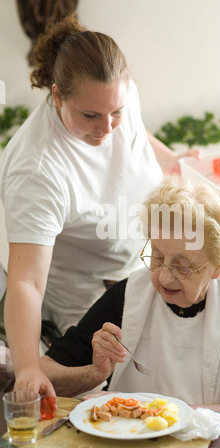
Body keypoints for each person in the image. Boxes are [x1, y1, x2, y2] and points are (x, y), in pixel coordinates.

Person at [0, 13, 200, 396]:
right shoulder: (38, 169)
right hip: (87, 308)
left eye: (117, 113)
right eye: (90, 115)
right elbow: (26, 280)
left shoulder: (116, 98)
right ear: (57, 95)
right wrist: (27, 368)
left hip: (147, 279)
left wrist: (174, 161)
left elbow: (137, 139)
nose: (107, 128)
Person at [40, 177, 220, 417]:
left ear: (217, 268)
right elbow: (44, 374)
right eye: (158, 257)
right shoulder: (130, 294)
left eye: (183, 267)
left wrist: (142, 409)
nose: (163, 278)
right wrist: (96, 373)